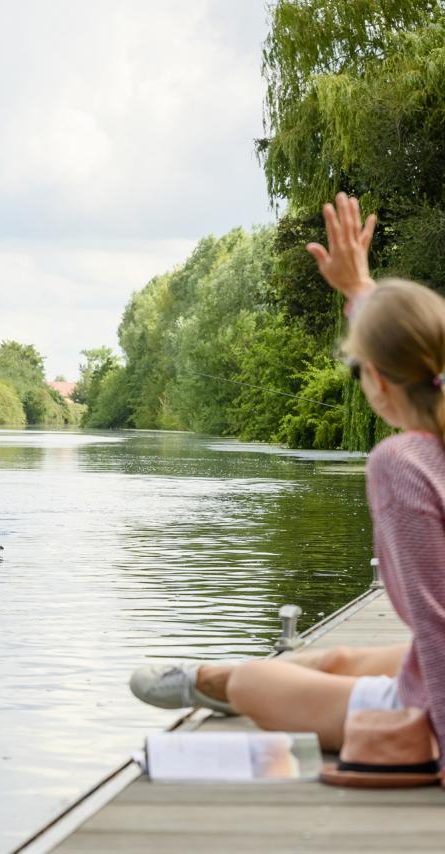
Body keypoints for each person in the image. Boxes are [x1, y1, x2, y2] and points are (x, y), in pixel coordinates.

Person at [130, 192, 445, 767]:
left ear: (373, 379)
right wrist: (360, 290)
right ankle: (218, 675)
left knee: (258, 689)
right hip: (434, 663)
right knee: (343, 659)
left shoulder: (402, 462)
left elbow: (435, 618)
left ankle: (226, 682)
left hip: (434, 701)